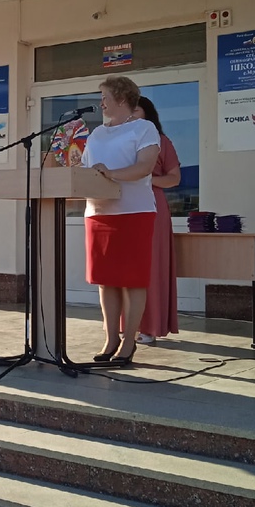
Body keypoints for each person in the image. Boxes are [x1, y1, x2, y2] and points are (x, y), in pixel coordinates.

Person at [82, 76, 160, 366]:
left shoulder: (144, 128)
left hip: (133, 212)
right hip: (98, 213)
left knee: (132, 280)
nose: (101, 102)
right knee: (106, 281)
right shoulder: (96, 133)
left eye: (105, 96)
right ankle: (110, 338)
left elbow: (144, 167)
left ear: (122, 98)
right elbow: (85, 169)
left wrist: (111, 174)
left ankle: (129, 342)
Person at [134, 95, 181, 344]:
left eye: (136, 110)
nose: (131, 115)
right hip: (121, 205)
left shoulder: (161, 141)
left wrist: (145, 178)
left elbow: (174, 178)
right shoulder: (118, 140)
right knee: (126, 267)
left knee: (151, 266)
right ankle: (126, 324)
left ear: (147, 113)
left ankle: (149, 327)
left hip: (153, 206)